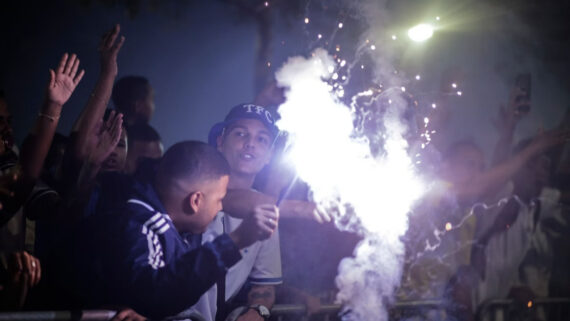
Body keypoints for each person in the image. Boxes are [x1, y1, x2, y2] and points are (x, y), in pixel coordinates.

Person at [78, 141, 278, 320]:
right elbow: (154, 295)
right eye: (219, 200)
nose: (220, 208)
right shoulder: (138, 222)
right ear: (196, 201)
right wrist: (237, 240)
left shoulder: (173, 228)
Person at [184, 104, 283, 321]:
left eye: (262, 140)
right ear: (220, 141)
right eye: (240, 134)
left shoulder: (267, 211)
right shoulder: (190, 187)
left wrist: (257, 310)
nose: (250, 144)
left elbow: (264, 286)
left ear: (269, 155)